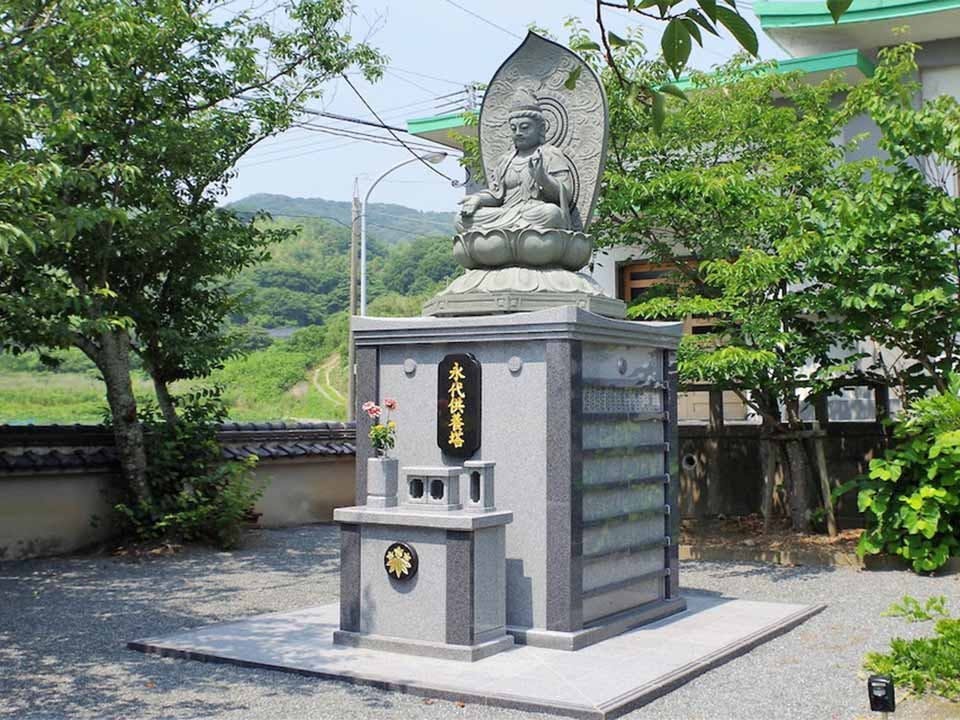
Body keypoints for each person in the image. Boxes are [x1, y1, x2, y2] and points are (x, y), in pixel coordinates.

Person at [456, 88, 579, 234]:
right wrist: (478, 199)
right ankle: (510, 234)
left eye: (525, 127)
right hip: (505, 214)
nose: (518, 133)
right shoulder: (506, 160)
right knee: (459, 219)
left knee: (552, 213)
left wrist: (543, 178)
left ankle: (507, 236)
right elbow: (496, 195)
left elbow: (566, 194)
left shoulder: (550, 154)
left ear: (541, 128)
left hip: (535, 213)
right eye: (514, 128)